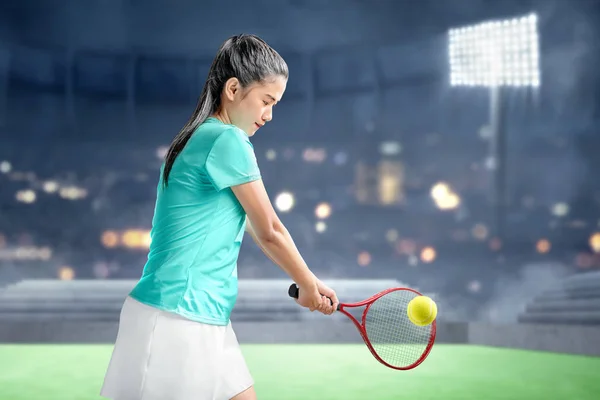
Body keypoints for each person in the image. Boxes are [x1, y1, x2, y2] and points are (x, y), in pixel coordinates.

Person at [100, 34, 339, 400]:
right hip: (175, 319)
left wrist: (309, 280)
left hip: (203, 316)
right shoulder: (227, 140)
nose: (269, 115)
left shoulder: (198, 136)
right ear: (233, 88)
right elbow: (271, 229)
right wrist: (306, 285)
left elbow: (260, 233)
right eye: (266, 101)